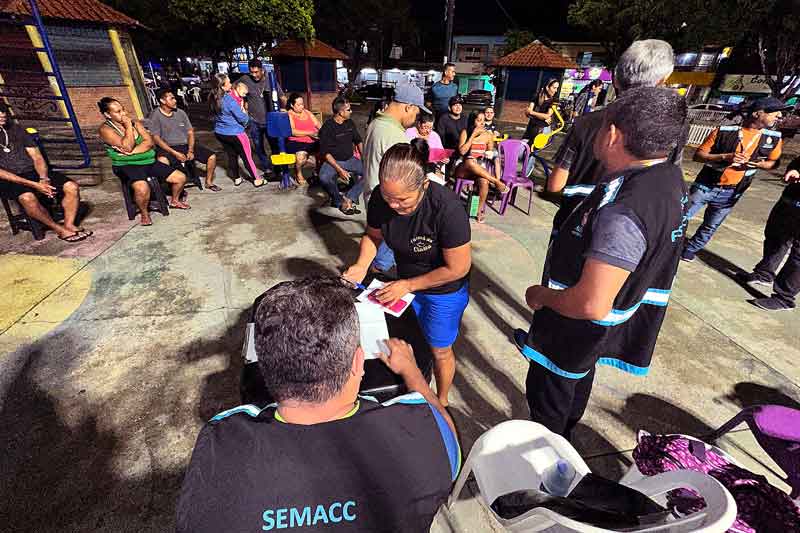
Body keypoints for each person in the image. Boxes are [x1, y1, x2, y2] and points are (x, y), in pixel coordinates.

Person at [176, 277, 459, 533]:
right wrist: (411, 371)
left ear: (264, 367)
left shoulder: (219, 448)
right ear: (358, 363)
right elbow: (445, 430)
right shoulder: (425, 436)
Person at [514, 87, 689, 439]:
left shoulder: (624, 209)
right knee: (576, 388)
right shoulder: (668, 178)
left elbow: (592, 303)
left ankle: (544, 473)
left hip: (572, 332)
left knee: (550, 405)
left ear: (612, 133)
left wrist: (542, 295)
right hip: (597, 335)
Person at [344, 143, 471, 406]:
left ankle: (442, 401)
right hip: (405, 282)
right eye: (389, 199)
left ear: (424, 185)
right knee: (408, 339)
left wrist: (408, 285)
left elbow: (458, 268)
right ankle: (411, 389)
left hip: (442, 291)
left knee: (439, 349)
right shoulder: (382, 197)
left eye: (402, 200)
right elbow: (373, 235)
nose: (394, 205)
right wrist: (361, 265)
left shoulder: (447, 209)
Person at [547, 40, 679, 241]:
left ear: (616, 79)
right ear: (662, 80)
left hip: (575, 231)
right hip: (624, 242)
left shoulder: (585, 124)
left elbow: (555, 186)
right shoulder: (671, 133)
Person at [680, 96, 787, 262]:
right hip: (705, 186)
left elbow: (773, 163)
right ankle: (666, 241)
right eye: (775, 113)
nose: (779, 117)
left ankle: (691, 249)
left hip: (733, 191)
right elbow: (698, 156)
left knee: (711, 225)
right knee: (681, 216)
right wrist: (724, 156)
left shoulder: (773, 138)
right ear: (758, 113)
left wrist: (755, 164)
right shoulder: (723, 131)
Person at [0, 103, 91, 242]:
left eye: (3, 111)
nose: (3, 114)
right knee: (27, 198)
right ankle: (58, 229)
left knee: (71, 187)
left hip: (32, 172)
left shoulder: (17, 130)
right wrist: (35, 185)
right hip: (9, 179)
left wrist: (43, 178)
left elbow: (36, 156)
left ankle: (69, 224)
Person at [362, 82, 427, 274]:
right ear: (408, 107)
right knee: (391, 243)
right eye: (416, 114)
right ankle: (375, 273)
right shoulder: (395, 136)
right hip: (388, 202)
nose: (416, 120)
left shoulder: (375, 123)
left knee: (379, 239)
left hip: (374, 195)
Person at [98, 97, 189, 225]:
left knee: (180, 177)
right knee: (142, 188)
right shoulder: (106, 129)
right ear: (107, 114)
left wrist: (132, 152)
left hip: (148, 161)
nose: (123, 114)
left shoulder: (136, 123)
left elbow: (149, 142)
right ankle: (144, 213)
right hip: (126, 165)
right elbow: (127, 145)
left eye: (123, 109)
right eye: (118, 112)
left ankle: (175, 200)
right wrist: (128, 126)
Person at [737, 157, 800, 311]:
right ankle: (764, 274)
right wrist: (794, 170)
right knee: (776, 237)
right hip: (790, 200)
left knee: (798, 257)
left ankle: (784, 298)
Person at [149, 88, 220, 191]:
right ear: (162, 101)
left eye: (174, 98)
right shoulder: (155, 115)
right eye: (172, 98)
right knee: (162, 161)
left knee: (211, 156)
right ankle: (174, 188)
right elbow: (156, 138)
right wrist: (174, 153)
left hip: (185, 145)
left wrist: (190, 150)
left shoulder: (181, 113)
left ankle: (208, 182)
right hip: (168, 148)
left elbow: (190, 132)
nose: (175, 100)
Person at [210, 74, 265, 187]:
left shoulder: (212, 98)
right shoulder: (228, 100)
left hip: (220, 133)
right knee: (247, 157)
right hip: (235, 133)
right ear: (222, 86)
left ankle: (236, 178)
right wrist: (246, 117)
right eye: (229, 82)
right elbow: (242, 118)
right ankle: (257, 179)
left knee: (231, 155)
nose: (231, 84)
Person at [454, 110, 508, 223]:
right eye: (478, 121)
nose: (482, 124)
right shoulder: (465, 132)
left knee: (484, 181)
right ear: (472, 121)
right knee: (469, 161)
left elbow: (491, 153)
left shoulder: (488, 135)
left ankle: (478, 210)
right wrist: (473, 135)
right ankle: (497, 182)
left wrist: (489, 153)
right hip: (463, 169)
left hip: (479, 169)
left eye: (483, 121)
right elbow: (462, 152)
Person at [318, 96, 364, 215]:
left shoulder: (350, 123)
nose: (351, 111)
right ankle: (338, 200)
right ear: (341, 112)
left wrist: (364, 158)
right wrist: (340, 170)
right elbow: (325, 153)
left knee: (370, 172)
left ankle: (349, 198)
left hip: (350, 159)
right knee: (324, 178)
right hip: (333, 162)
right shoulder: (327, 127)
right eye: (349, 109)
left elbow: (358, 140)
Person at [239, 59, 283, 176]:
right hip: (254, 120)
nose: (254, 75)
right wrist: (241, 105)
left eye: (256, 72)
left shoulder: (270, 80)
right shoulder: (245, 79)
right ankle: (267, 168)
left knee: (274, 145)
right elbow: (235, 89)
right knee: (258, 146)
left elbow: (282, 96)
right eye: (251, 72)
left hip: (269, 120)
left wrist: (288, 110)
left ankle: (277, 168)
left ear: (262, 70)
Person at [286, 93, 321, 186]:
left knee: (325, 151)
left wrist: (322, 132)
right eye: (299, 105)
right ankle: (298, 173)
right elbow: (292, 131)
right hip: (297, 142)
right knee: (301, 156)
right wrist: (310, 133)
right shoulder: (289, 114)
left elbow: (318, 124)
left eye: (302, 104)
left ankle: (318, 172)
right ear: (292, 105)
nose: (302, 106)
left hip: (313, 140)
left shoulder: (307, 112)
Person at [523, 78, 559, 144]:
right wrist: (541, 116)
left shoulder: (554, 100)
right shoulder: (537, 95)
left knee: (534, 148)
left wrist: (532, 113)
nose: (556, 90)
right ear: (547, 87)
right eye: (554, 88)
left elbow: (547, 115)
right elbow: (527, 113)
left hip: (543, 129)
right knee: (524, 146)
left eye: (557, 88)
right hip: (532, 126)